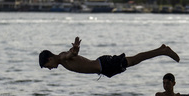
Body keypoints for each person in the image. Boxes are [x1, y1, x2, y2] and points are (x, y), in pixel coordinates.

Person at [39, 37, 179, 77]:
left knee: (135, 60)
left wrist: (75, 50)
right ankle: (161, 50)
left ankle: (162, 50)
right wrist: (74, 51)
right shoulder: (63, 61)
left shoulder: (63, 57)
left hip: (105, 64)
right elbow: (73, 55)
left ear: (50, 59)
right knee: (134, 61)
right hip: (104, 68)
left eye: (47, 66)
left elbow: (71, 55)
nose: (49, 69)